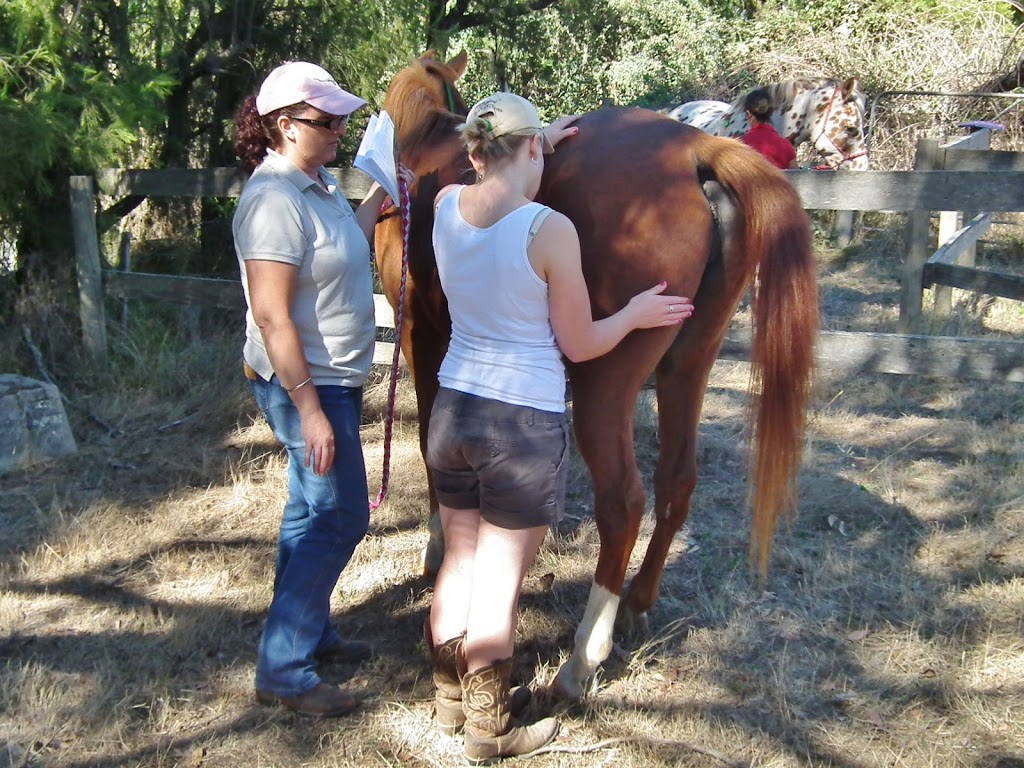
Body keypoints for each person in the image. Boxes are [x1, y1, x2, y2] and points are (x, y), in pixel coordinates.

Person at [424, 92, 695, 763]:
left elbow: (485, 171)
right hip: (518, 423)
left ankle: (447, 697)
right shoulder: (549, 230)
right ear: (535, 149)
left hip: (451, 410)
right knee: (500, 582)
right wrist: (632, 315)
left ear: (475, 151)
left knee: (458, 561)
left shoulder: (443, 208)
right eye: (539, 143)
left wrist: (529, 137)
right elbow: (579, 344)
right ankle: (491, 726)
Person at [232, 61, 409, 718]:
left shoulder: (317, 184)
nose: (339, 130)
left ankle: (309, 632)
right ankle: (283, 668)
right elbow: (273, 315)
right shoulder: (272, 200)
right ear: (285, 125)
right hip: (304, 382)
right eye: (326, 121)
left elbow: (343, 245)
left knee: (309, 512)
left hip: (331, 377)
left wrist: (380, 198)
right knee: (341, 515)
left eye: (341, 120)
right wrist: (310, 411)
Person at [740, 87, 798, 170]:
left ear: (748, 113)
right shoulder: (786, 145)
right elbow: (796, 177)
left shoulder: (741, 145)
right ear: (771, 112)